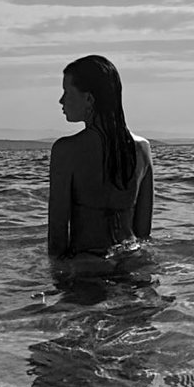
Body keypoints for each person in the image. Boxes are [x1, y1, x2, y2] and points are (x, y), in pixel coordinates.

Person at [48, 54, 153, 261]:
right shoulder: (143, 149)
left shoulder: (66, 150)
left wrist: (58, 283)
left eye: (67, 92)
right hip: (132, 260)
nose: (61, 100)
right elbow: (143, 233)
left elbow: (57, 236)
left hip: (88, 264)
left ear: (89, 99)